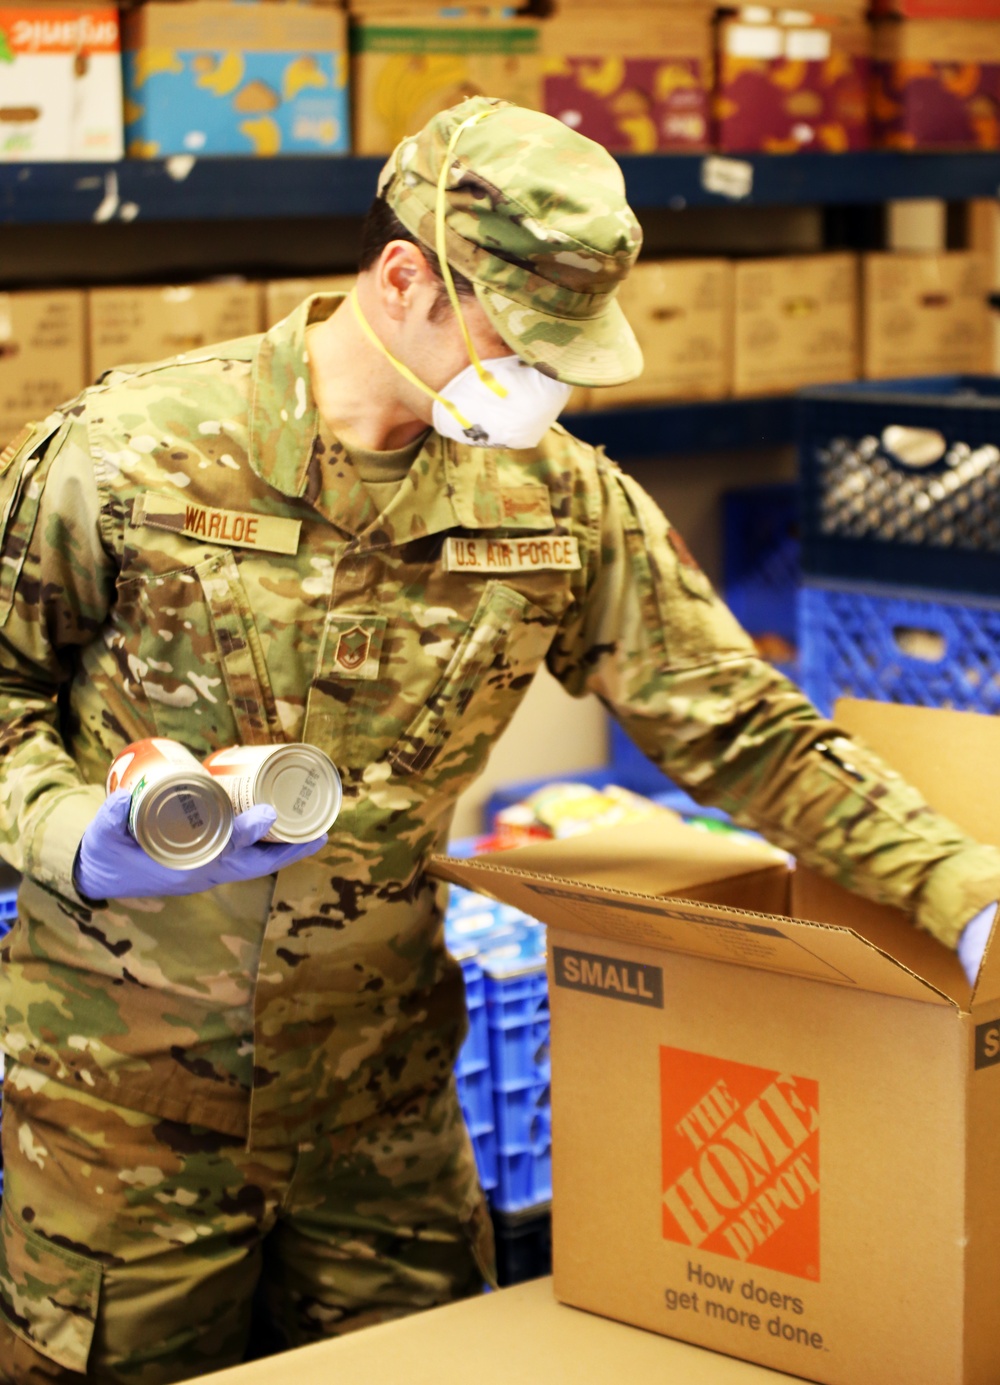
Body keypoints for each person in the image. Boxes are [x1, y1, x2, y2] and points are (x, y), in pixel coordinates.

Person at [0, 95, 996, 1384]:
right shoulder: (130, 455)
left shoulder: (559, 499)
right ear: (403, 274)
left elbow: (743, 726)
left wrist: (958, 884)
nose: (549, 375)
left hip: (384, 1115)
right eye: (525, 333)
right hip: (116, 1119)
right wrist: (74, 835)